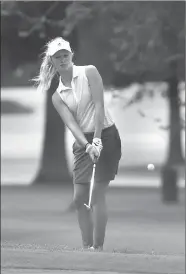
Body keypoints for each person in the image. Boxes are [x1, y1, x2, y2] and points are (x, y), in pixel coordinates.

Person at [33, 37, 121, 251]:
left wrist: (97, 140)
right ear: (51, 61)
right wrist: (88, 145)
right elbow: (72, 125)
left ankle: (97, 247)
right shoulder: (57, 96)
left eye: (65, 55)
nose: (62, 59)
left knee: (97, 193)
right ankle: (87, 247)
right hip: (83, 143)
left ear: (72, 55)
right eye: (58, 57)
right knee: (80, 196)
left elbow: (99, 106)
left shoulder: (89, 72)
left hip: (107, 135)